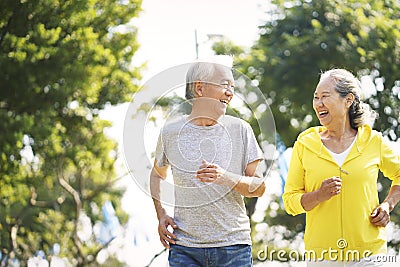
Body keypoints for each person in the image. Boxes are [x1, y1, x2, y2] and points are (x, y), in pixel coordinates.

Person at [150, 55, 266, 267]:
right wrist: (161, 214)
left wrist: (225, 177)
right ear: (200, 88)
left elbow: (258, 187)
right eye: (225, 85)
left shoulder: (240, 129)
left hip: (234, 248)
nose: (231, 92)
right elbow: (158, 175)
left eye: (233, 86)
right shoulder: (170, 132)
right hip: (184, 248)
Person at [283, 68, 400, 266]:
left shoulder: (373, 140)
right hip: (323, 256)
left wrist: (387, 205)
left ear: (348, 101)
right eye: (316, 97)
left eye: (325, 96)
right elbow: (290, 201)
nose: (318, 103)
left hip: (369, 255)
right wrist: (319, 195)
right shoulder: (305, 144)